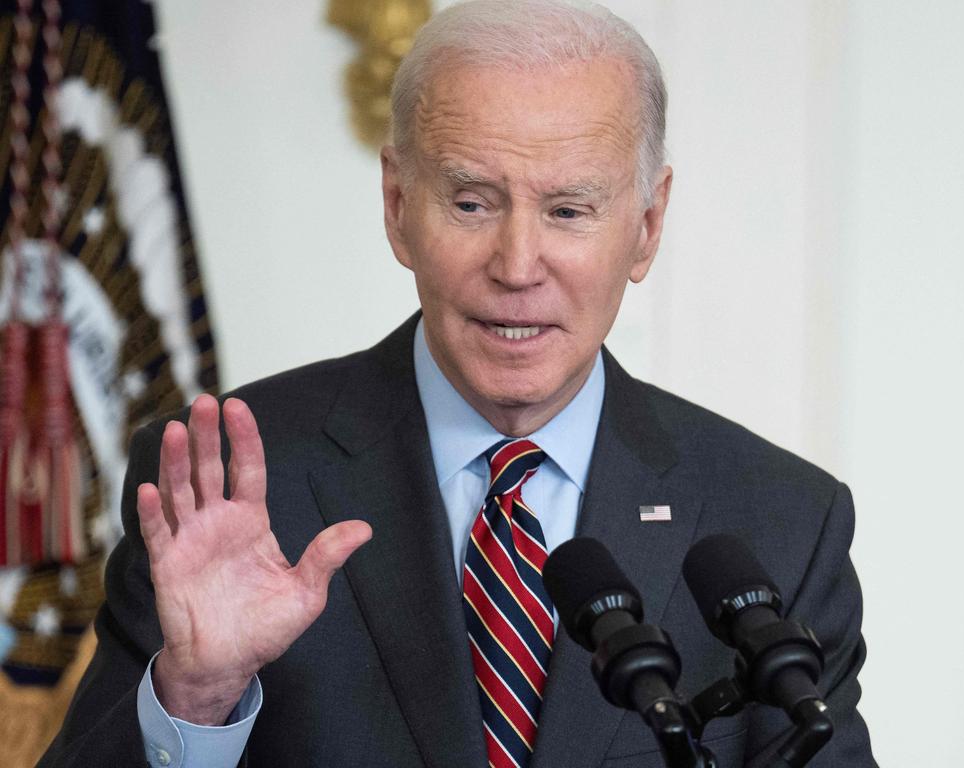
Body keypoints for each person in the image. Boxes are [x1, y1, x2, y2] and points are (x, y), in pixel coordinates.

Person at [40, 2, 876, 766]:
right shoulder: (223, 483)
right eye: (472, 203)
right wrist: (196, 697)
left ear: (647, 226)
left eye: (569, 211)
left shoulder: (780, 522)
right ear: (398, 203)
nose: (516, 267)